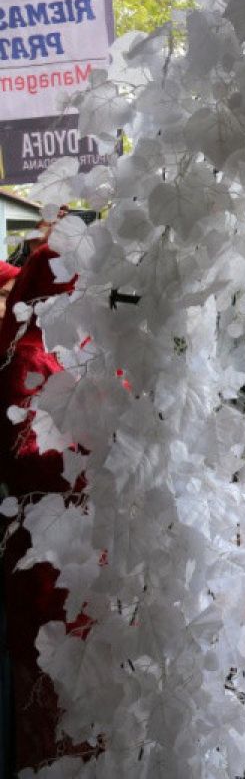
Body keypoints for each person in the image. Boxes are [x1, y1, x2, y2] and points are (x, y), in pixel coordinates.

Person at [0, 243, 93, 772]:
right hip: (44, 549)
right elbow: (22, 457)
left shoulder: (76, 347)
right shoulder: (22, 357)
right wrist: (98, 460)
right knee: (53, 687)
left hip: (87, 547)